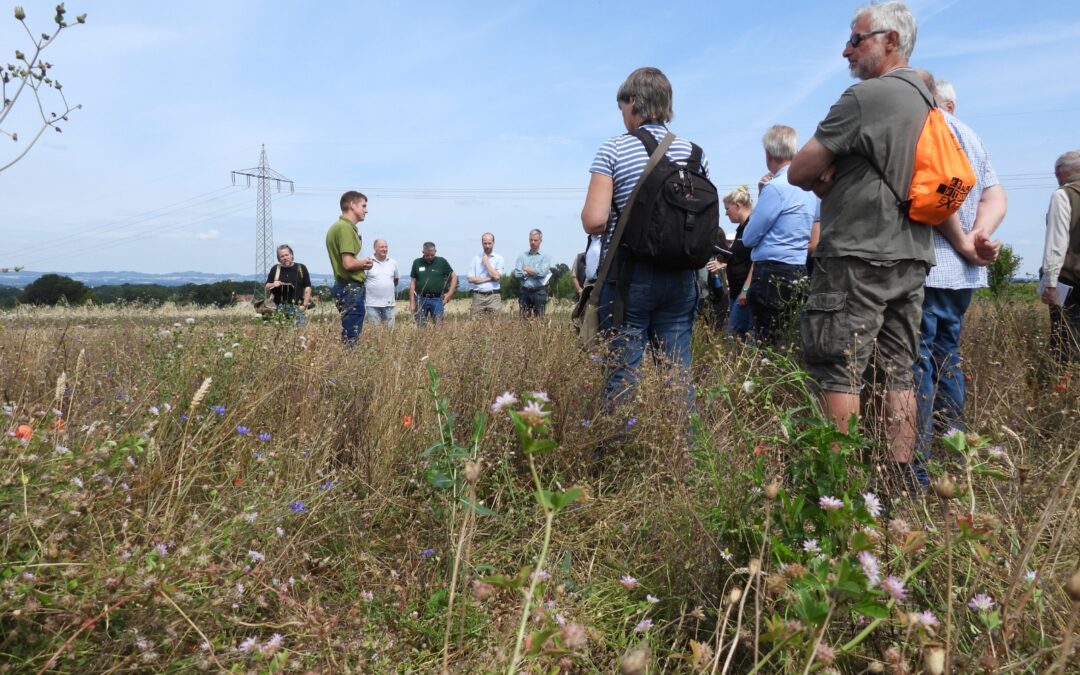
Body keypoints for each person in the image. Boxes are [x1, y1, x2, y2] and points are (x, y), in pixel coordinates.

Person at [787, 1, 939, 479]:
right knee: (897, 373)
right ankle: (894, 485)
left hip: (857, 254)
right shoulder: (927, 97)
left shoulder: (865, 98)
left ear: (890, 41)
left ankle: (840, 489)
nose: (846, 50)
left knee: (838, 366)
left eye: (856, 40)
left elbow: (799, 169)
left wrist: (824, 173)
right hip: (911, 255)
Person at [580, 66, 707, 404]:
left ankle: (619, 454)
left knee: (621, 377)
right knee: (677, 376)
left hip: (628, 279)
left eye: (622, 107)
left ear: (633, 102)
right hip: (682, 277)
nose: (622, 116)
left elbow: (594, 221)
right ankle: (687, 454)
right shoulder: (695, 153)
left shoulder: (614, 150)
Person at [912, 72, 1007, 468]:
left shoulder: (925, 128)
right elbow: (995, 193)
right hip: (963, 273)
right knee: (947, 357)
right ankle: (955, 452)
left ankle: (917, 460)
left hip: (929, 267)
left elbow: (933, 196)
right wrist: (980, 234)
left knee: (916, 364)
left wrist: (962, 240)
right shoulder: (969, 133)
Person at [741, 125, 817, 346]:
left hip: (772, 271)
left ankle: (768, 379)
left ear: (768, 154)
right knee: (791, 336)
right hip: (798, 267)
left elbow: (749, 237)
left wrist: (763, 195)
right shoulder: (808, 188)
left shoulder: (775, 188)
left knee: (768, 339)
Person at [1040, 150, 1080, 363]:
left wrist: (1050, 283)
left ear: (1059, 172)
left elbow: (1057, 243)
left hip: (1070, 280)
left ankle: (1062, 387)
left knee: (1064, 339)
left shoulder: (1063, 195)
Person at [325, 191, 373, 344]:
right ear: (352, 205)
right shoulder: (345, 228)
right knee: (352, 335)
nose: (366, 210)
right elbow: (348, 263)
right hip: (350, 288)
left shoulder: (337, 227)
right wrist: (364, 263)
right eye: (363, 205)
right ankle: (349, 364)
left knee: (349, 331)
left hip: (344, 287)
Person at [712, 186, 755, 339]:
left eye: (727, 208)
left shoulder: (752, 226)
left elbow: (756, 260)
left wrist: (746, 289)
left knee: (735, 336)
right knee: (736, 337)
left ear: (738, 205)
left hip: (744, 292)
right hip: (737, 291)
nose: (726, 213)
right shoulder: (740, 229)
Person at [409, 242, 457, 326]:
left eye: (432, 255)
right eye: (427, 255)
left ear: (435, 251)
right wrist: (412, 303)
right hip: (420, 298)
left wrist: (450, 293)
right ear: (423, 252)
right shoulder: (417, 262)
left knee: (438, 325)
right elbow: (412, 283)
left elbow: (454, 277)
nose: (430, 257)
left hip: (437, 299)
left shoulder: (442, 261)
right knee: (420, 325)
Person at [264, 244, 312, 325]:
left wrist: (304, 305)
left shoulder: (301, 268)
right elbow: (267, 286)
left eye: (287, 255)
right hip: (278, 307)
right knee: (281, 334)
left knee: (298, 333)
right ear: (279, 258)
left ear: (292, 255)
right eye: (282, 256)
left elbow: (308, 287)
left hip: (297, 307)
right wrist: (274, 284)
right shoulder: (275, 269)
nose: (285, 258)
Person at [513, 229, 551, 318]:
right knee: (524, 320)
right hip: (525, 291)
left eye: (535, 240)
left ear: (541, 241)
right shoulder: (522, 256)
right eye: (531, 240)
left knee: (540, 320)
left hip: (539, 291)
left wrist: (526, 269)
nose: (532, 242)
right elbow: (517, 274)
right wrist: (532, 272)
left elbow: (542, 273)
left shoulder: (545, 256)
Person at [466, 232, 504, 318]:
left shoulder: (499, 258)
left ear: (493, 243)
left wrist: (486, 263)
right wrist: (488, 279)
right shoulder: (475, 258)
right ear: (482, 243)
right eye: (485, 243)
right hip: (478, 296)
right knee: (475, 324)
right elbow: (470, 279)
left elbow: (497, 277)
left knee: (496, 325)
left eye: (489, 243)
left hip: (494, 296)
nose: (487, 246)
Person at [365, 238, 400, 327]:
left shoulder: (393, 263)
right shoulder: (368, 262)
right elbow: (363, 281)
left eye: (386, 247)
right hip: (372, 304)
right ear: (375, 248)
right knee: (375, 334)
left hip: (389, 305)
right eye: (381, 247)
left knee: (390, 334)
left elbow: (395, 280)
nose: (384, 249)